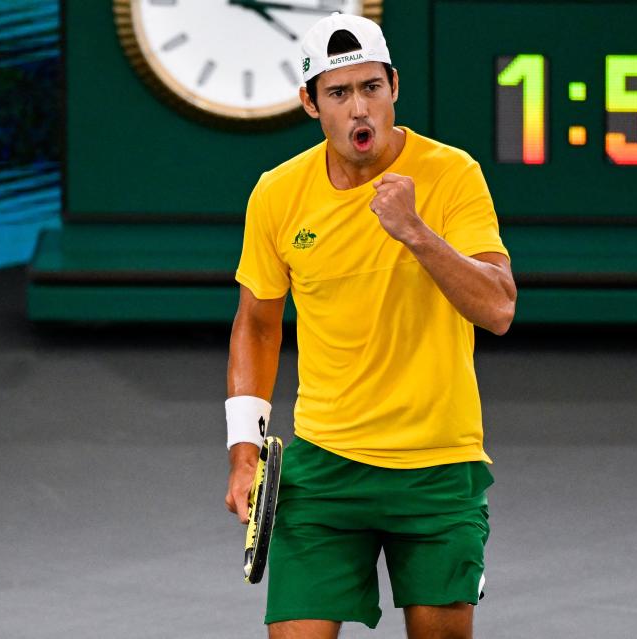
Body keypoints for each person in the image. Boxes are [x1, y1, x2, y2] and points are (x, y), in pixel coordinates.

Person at [224, 12, 516, 639]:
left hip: (438, 469)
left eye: (371, 88)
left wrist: (415, 231)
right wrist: (244, 455)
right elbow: (256, 326)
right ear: (310, 104)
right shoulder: (277, 195)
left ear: (394, 88)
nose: (360, 109)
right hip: (324, 471)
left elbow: (497, 308)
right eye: (339, 93)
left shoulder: (453, 174)